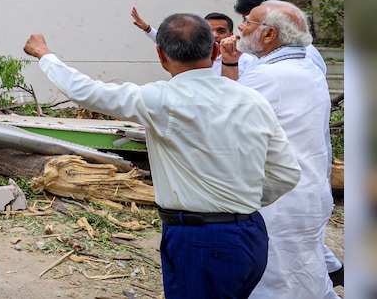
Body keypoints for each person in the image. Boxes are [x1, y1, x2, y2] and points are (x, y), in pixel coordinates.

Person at [23, 15, 301, 298]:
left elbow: (85, 91)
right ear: (215, 50)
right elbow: (287, 173)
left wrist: (45, 54)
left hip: (200, 239)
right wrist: (240, 203)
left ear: (161, 55)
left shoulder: (162, 99)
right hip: (251, 234)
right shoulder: (253, 99)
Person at [226, 0, 343, 288]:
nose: (240, 28)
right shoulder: (306, 65)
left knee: (277, 282)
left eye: (248, 22)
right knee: (308, 277)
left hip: (280, 200)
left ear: (269, 34)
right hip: (309, 190)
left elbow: (227, 128)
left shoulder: (267, 76)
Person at [129, 8, 249, 74]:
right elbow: (174, 43)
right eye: (210, 31)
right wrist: (148, 29)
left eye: (221, 31)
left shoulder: (246, 62)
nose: (215, 35)